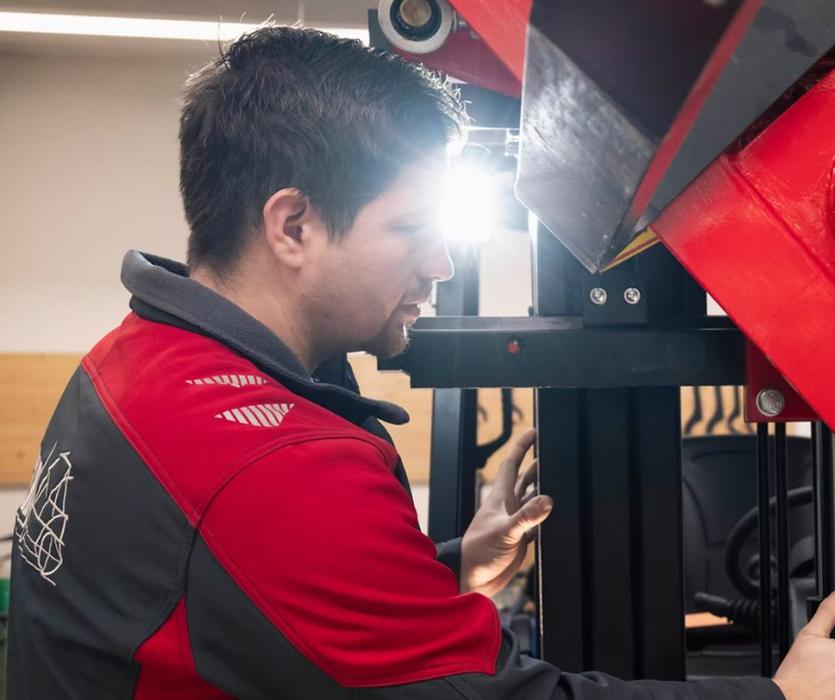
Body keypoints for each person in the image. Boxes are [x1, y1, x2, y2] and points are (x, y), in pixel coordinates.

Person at [6, 25, 835, 700]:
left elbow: (240, 595)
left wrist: (450, 569)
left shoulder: (132, 359)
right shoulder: (279, 465)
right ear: (292, 226)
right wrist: (781, 697)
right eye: (409, 230)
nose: (440, 265)